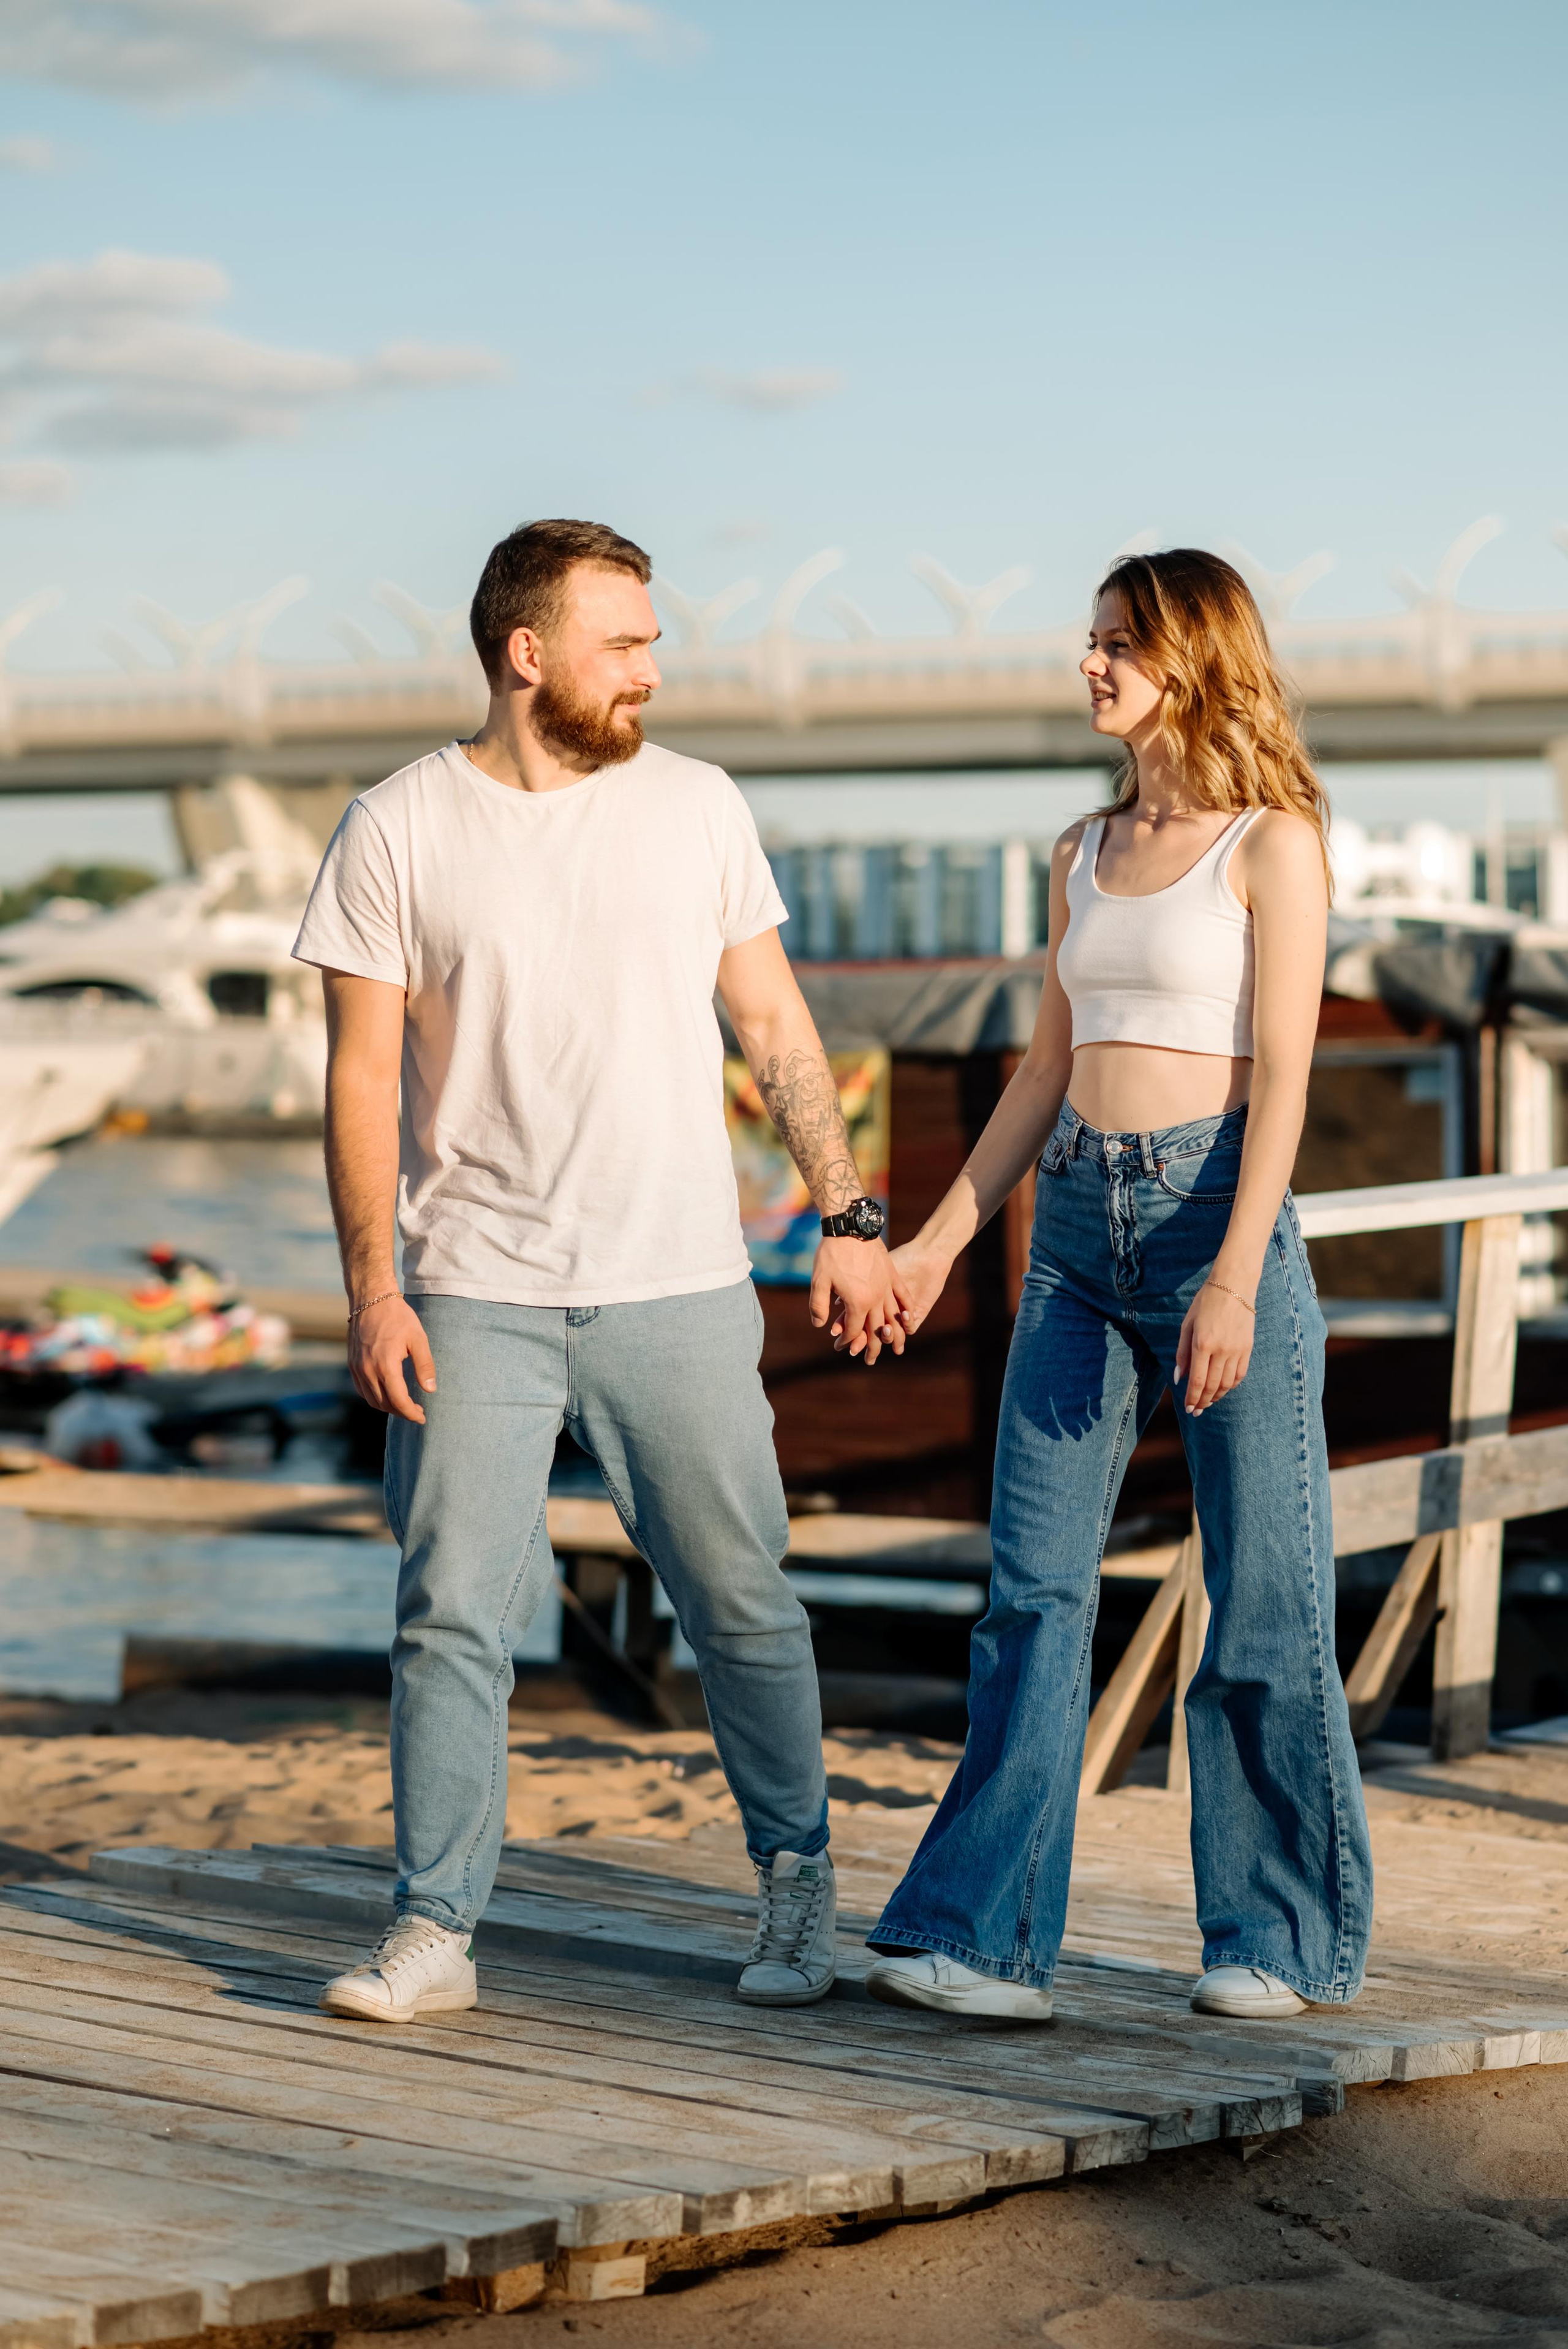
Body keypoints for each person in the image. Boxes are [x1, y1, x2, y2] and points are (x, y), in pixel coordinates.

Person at [293, 518, 902, 2022]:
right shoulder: (395, 827)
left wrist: (846, 1212)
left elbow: (774, 1028)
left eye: (648, 639)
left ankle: (798, 1884)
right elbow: (359, 1078)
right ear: (526, 653)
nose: (650, 666)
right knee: (448, 1613)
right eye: (621, 640)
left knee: (742, 1602)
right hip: (470, 1285)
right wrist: (374, 1291)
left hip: (677, 1280)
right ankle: (435, 1929)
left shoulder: (696, 809)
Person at [864, 549, 1373, 2022]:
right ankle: (981, 1939)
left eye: (1115, 644)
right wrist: (939, 1237)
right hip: (1077, 1234)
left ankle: (1273, 1942)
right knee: (1028, 1592)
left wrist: (1228, 1283)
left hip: (1220, 1219)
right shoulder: (1078, 848)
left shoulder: (1270, 844)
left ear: (1191, 657)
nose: (1087, 665)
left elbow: (1283, 1082)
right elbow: (1041, 1069)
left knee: (1263, 1600)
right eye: (1087, 640)